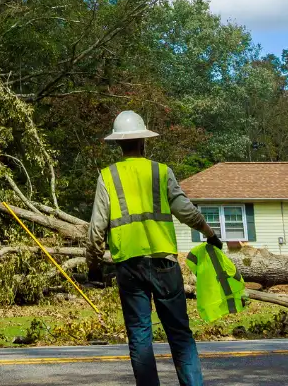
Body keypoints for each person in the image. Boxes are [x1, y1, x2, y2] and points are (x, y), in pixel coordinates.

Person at [86, 110, 220, 386]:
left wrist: (94, 267)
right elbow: (186, 211)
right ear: (143, 141)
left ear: (119, 143)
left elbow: (97, 228)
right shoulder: (161, 172)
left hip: (129, 266)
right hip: (164, 262)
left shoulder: (108, 177)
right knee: (180, 334)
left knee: (139, 335)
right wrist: (210, 234)